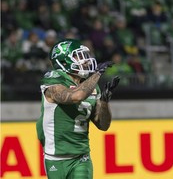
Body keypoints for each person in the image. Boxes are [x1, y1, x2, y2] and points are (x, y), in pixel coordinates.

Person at [36, 39, 120, 179]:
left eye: (85, 56)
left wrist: (104, 102)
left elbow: (103, 125)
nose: (86, 61)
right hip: (55, 157)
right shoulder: (54, 80)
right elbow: (75, 96)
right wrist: (97, 74)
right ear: (63, 62)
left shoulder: (90, 85)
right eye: (79, 56)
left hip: (81, 157)